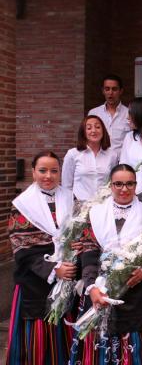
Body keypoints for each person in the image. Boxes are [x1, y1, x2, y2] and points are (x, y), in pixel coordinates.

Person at [69, 164, 142, 363]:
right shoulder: (95, 213)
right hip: (101, 290)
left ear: (136, 185)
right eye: (118, 184)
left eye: (129, 184)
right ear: (111, 185)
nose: (124, 189)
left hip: (138, 292)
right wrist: (91, 287)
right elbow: (89, 253)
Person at [6, 151, 75, 364]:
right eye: (43, 170)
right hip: (35, 279)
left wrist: (75, 251)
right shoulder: (22, 204)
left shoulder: (71, 198)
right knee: (37, 335)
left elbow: (80, 233)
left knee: (64, 328)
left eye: (54, 171)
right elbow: (22, 247)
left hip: (67, 276)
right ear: (33, 172)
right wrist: (54, 269)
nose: (48, 176)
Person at [62, 115, 118, 201]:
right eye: (89, 128)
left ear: (103, 130)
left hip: (104, 205)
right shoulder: (73, 154)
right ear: (83, 132)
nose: (94, 131)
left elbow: (114, 182)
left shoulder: (112, 155)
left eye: (98, 127)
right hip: (80, 206)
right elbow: (66, 185)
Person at [88, 74, 130, 155]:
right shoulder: (94, 113)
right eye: (107, 89)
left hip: (121, 161)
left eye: (114, 89)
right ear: (103, 91)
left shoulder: (129, 114)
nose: (110, 92)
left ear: (121, 91)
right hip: (99, 159)